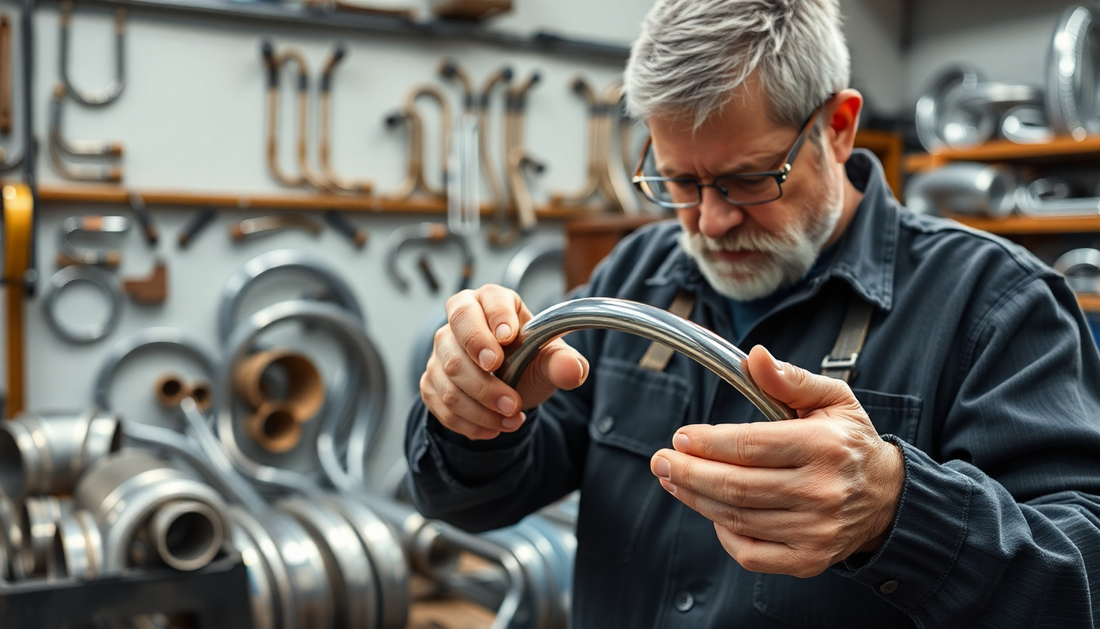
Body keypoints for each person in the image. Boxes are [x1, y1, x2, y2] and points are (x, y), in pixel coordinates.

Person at [405, 0, 1100, 626]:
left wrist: (898, 510)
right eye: (679, 181)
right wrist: (474, 417)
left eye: (747, 179)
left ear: (838, 127)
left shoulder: (995, 305)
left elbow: (1080, 582)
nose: (708, 221)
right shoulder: (635, 277)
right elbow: (471, 505)